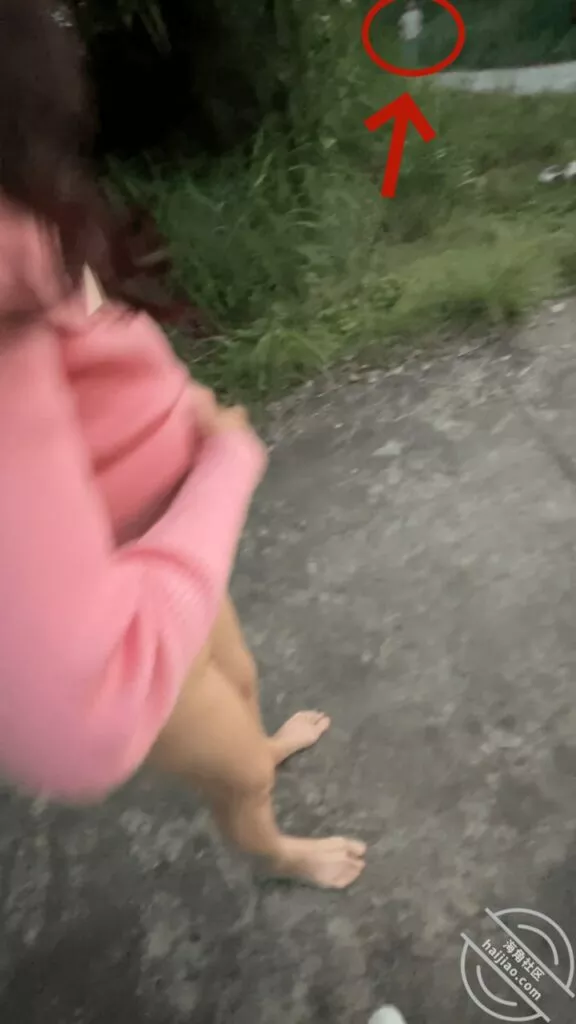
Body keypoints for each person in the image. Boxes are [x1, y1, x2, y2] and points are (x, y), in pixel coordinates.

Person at [0, 0, 366, 890]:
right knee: (237, 774)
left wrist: (172, 418)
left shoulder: (20, 217)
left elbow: (84, 368)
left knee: (240, 677)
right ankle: (276, 853)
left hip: (173, 545)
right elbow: (78, 710)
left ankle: (257, 746)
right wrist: (225, 467)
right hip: (132, 587)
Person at [399, 0, 423, 68]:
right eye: (409, 4)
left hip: (415, 35)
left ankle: (414, 65)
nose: (410, 5)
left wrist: (420, 31)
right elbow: (401, 25)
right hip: (406, 37)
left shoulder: (417, 13)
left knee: (414, 52)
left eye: (412, 3)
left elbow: (420, 22)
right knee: (407, 52)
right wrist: (401, 34)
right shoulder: (404, 16)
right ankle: (407, 66)